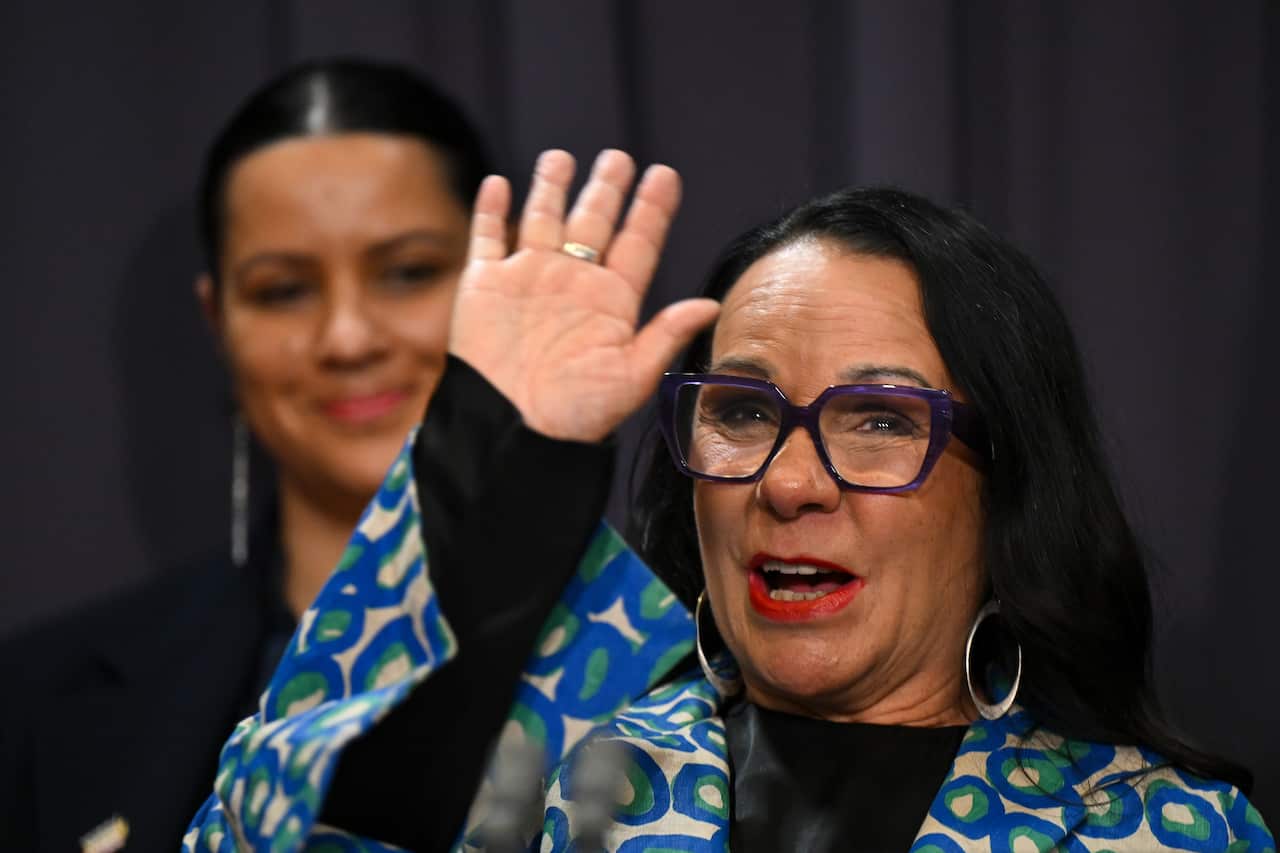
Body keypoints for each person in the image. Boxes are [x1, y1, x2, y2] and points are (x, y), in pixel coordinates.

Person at [183, 150, 1275, 852]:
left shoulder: (1153, 830)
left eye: (882, 421)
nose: (789, 482)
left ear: (1005, 486)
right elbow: (257, 831)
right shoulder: (543, 774)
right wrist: (486, 458)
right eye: (744, 412)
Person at [0, 58, 493, 851]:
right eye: (283, 290)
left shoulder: (660, 669)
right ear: (217, 319)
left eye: (407, 273)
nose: (348, 337)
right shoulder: (31, 700)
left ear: (497, 277)